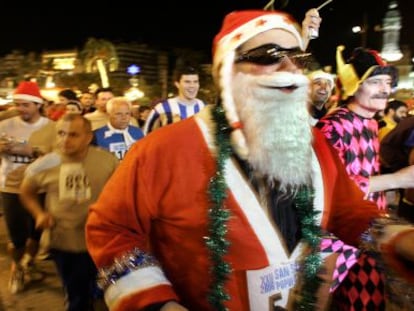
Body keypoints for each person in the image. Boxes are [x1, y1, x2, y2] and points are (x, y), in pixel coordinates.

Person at [85, 9, 414, 311]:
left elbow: (346, 208)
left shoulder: (313, 142)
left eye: (298, 58)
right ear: (228, 70)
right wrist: (157, 304)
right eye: (270, 56)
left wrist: (397, 238)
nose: (290, 68)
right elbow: (112, 230)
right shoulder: (165, 148)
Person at [20, 114, 119, 310]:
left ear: (88, 137)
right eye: (61, 133)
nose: (65, 140)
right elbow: (26, 191)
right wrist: (39, 214)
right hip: (64, 242)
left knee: (101, 289)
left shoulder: (107, 160)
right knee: (76, 296)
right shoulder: (45, 163)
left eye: (73, 134)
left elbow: (120, 193)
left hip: (101, 241)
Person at [316, 46, 399, 211]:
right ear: (353, 86)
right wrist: (397, 179)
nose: (385, 90)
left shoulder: (372, 123)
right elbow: (329, 187)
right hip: (341, 231)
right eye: (375, 82)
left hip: (370, 224)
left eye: (388, 82)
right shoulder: (331, 126)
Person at [0, 81, 56, 294]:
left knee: (36, 232)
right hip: (10, 187)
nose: (20, 109)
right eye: (18, 104)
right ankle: (18, 266)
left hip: (39, 188)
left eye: (25, 105)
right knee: (15, 237)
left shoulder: (50, 127)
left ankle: (27, 262)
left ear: (37, 105)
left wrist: (31, 151)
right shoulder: (4, 125)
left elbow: (57, 157)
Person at [143, 65, 207, 135]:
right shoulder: (162, 109)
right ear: (177, 84)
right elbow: (146, 137)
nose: (192, 86)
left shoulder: (205, 108)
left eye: (195, 82)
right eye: (187, 82)